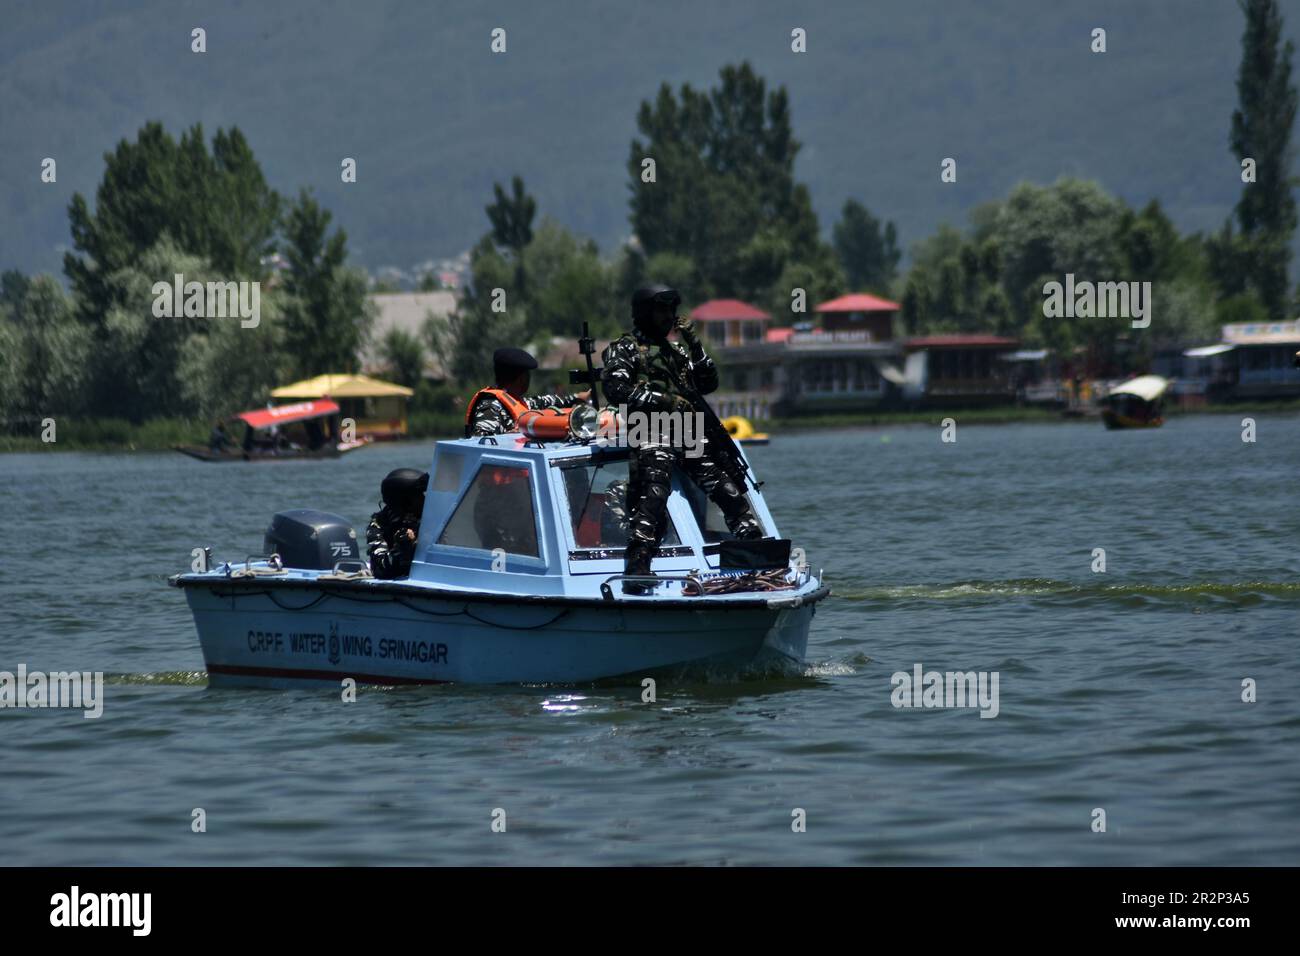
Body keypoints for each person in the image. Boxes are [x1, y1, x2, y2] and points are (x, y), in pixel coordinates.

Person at [601, 284, 762, 590]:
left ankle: (753, 552)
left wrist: (695, 345)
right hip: (651, 430)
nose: (669, 316)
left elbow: (707, 382)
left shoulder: (674, 352)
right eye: (662, 310)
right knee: (654, 495)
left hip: (685, 434)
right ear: (646, 313)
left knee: (727, 489)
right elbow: (615, 388)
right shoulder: (627, 348)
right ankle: (638, 565)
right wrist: (664, 401)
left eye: (671, 310)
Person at [464, 347, 588, 437]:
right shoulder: (490, 406)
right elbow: (480, 442)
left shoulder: (518, 401)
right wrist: (509, 436)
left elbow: (547, 401)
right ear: (522, 379)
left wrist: (578, 397)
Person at [366, 468, 429, 579]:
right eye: (418, 495)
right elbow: (380, 569)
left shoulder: (432, 519)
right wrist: (401, 548)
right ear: (404, 500)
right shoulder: (379, 525)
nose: (424, 499)